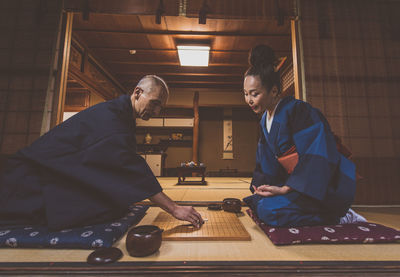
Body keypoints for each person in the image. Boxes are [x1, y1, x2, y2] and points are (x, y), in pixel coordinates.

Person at [0, 75, 204, 230]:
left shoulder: (121, 114)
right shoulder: (112, 117)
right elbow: (129, 166)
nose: (157, 111)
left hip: (54, 172)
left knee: (114, 205)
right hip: (32, 179)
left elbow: (115, 163)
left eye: (161, 107)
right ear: (138, 93)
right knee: (102, 208)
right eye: (155, 103)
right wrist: (173, 208)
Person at [243, 45, 365, 227]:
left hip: (318, 184)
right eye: (245, 94)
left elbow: (316, 151)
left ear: (274, 91)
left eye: (255, 94)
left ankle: (339, 216)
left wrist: (286, 188)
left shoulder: (298, 110)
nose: (249, 100)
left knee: (269, 211)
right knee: (255, 201)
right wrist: (264, 186)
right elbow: (265, 161)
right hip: (295, 182)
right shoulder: (264, 121)